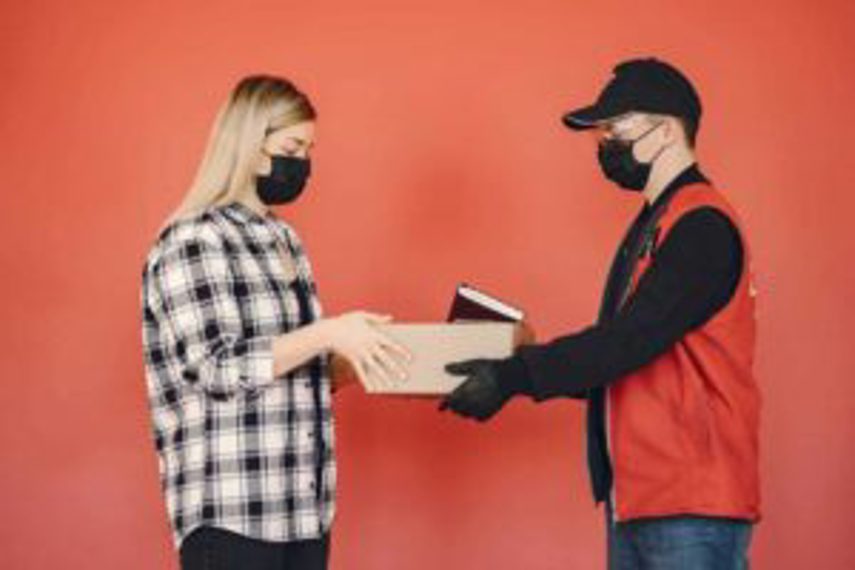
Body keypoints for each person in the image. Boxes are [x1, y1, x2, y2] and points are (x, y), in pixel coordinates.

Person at [440, 58, 761, 569]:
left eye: (614, 129)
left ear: (664, 131)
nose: (603, 143)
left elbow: (628, 341)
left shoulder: (701, 226)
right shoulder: (656, 223)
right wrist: (520, 357)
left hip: (690, 503)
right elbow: (622, 355)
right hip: (642, 498)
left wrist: (513, 375)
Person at [140, 74, 410, 570]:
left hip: (304, 511)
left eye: (309, 150)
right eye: (292, 146)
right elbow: (214, 369)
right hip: (233, 514)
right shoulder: (193, 240)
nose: (302, 163)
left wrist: (362, 356)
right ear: (248, 144)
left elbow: (292, 371)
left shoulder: (284, 240)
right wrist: (329, 331)